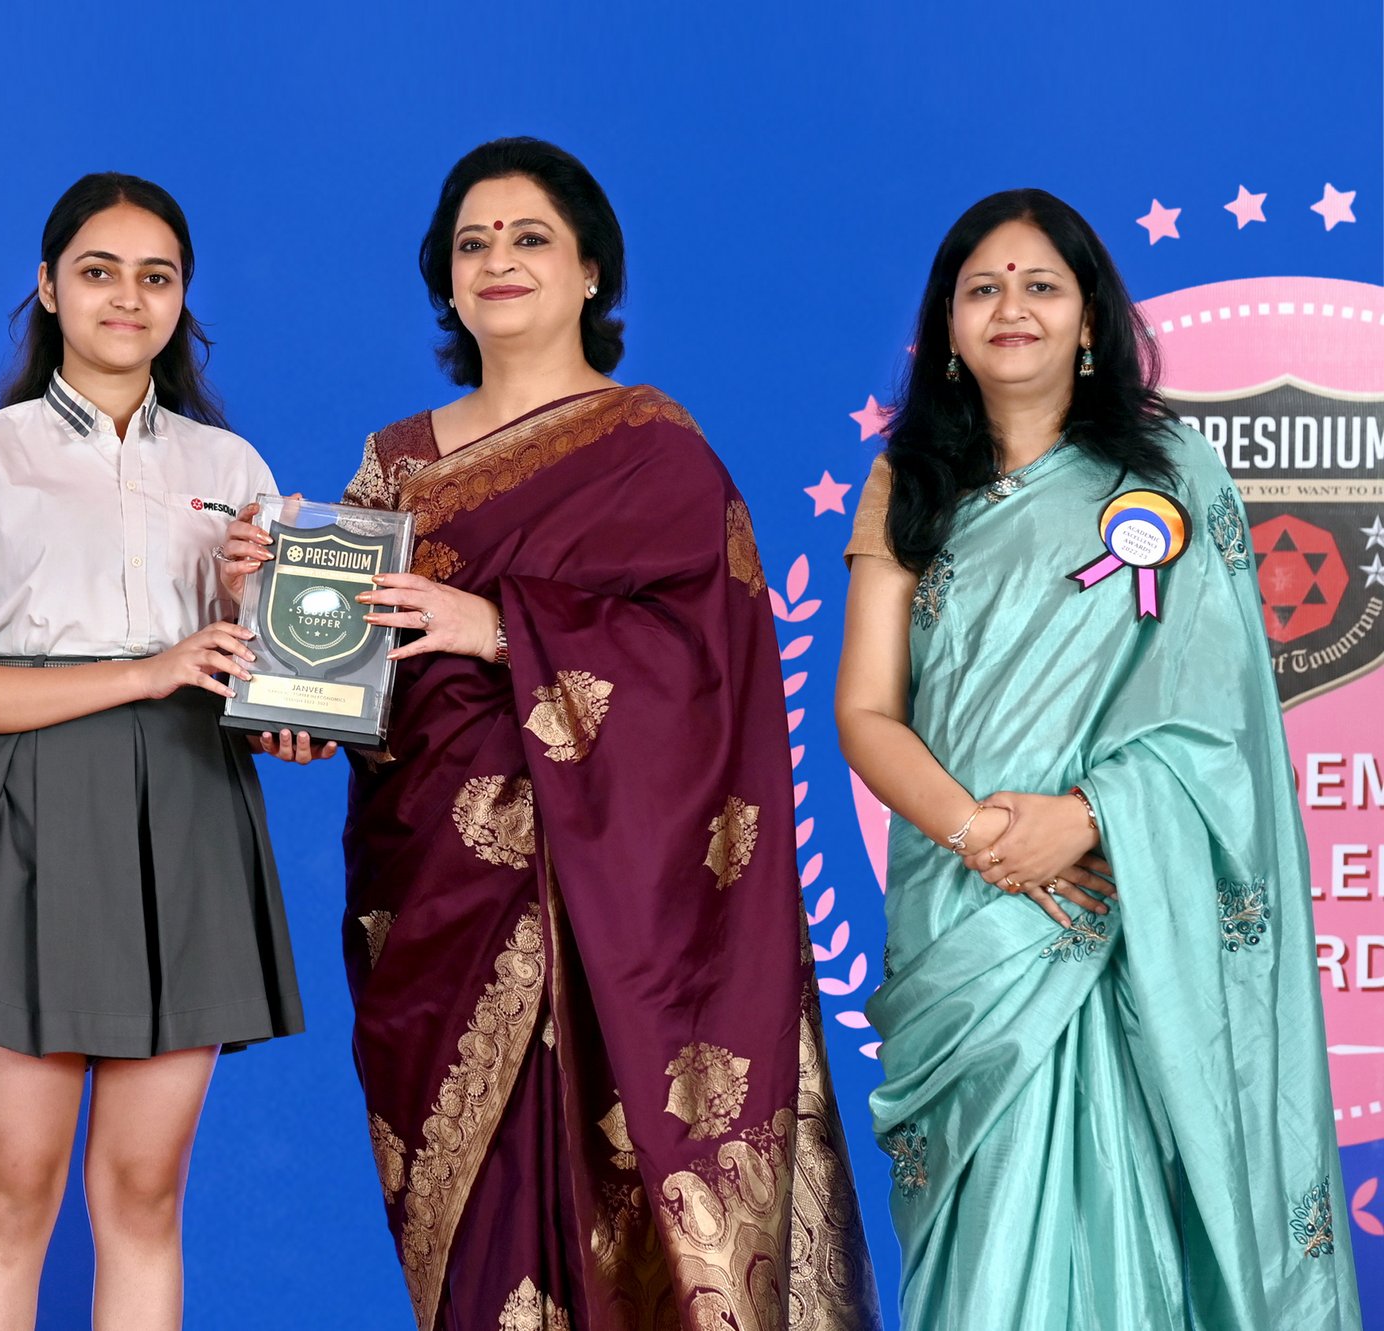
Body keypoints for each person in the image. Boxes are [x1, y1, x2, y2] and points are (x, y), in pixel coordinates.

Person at [244, 137, 879, 1331]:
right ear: (444, 280)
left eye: (529, 237)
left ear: (590, 270)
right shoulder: (393, 464)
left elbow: (707, 674)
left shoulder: (654, 450)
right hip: (432, 911)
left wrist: (499, 626)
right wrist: (292, 682)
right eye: (471, 242)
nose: (498, 260)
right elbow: (355, 682)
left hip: (615, 923)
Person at [836, 188, 1361, 1330]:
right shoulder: (906, 481)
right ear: (947, 326)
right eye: (982, 288)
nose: (1010, 307)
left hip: (1116, 900)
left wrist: (1083, 817)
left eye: (1041, 285)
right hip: (967, 916)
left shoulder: (1171, 474)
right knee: (981, 1251)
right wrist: (983, 834)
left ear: (1088, 320)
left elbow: (1220, 719)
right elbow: (867, 711)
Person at [0, 171, 304, 1331]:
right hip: (24, 809)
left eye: (156, 277)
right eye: (99, 271)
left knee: (144, 1192)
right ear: (49, 288)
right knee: (12, 1193)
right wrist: (148, 669)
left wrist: (289, 704)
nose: (128, 297)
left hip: (191, 810)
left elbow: (264, 689)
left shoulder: (233, 470)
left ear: (182, 300)